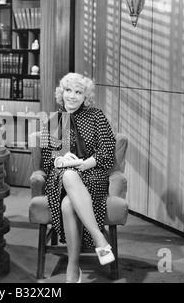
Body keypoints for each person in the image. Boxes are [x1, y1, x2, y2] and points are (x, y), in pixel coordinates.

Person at [40, 73, 116, 283]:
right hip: (61, 176)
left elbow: (108, 151)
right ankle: (99, 239)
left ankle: (73, 269)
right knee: (70, 175)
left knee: (68, 206)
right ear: (61, 93)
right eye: (68, 90)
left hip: (92, 173)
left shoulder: (96, 116)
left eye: (78, 92)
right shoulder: (53, 121)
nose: (72, 96)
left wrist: (87, 162)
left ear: (85, 97)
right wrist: (62, 159)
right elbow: (48, 161)